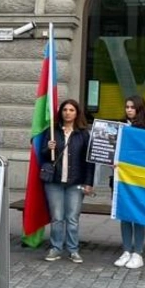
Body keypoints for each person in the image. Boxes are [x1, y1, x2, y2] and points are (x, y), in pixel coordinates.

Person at [41, 99, 95, 263]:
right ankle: (55, 248)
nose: (68, 113)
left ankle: (73, 249)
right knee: (57, 217)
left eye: (72, 110)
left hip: (75, 182)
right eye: (65, 110)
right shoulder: (52, 131)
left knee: (72, 217)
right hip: (54, 181)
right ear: (61, 112)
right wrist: (48, 148)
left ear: (77, 113)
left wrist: (88, 183)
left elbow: (89, 161)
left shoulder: (83, 134)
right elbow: (43, 156)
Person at [114, 95, 145, 270]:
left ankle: (138, 252)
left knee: (138, 214)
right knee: (125, 214)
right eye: (127, 107)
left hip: (141, 178)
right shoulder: (120, 126)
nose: (129, 110)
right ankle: (126, 250)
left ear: (140, 108)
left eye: (132, 107)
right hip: (122, 177)